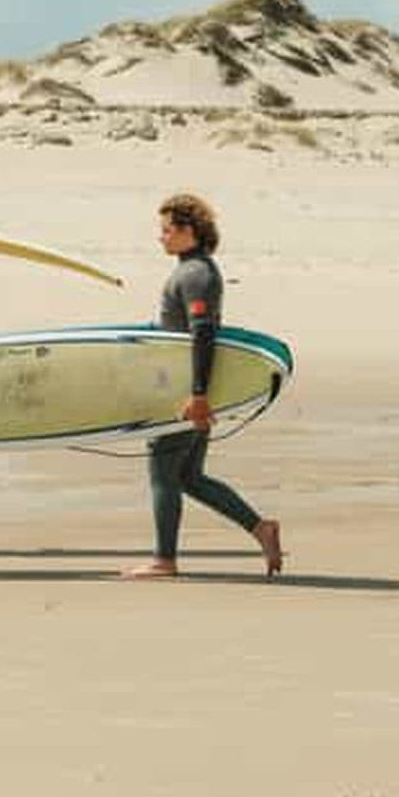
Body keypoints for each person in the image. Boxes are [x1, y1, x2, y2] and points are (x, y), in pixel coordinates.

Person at [124, 192, 282, 579]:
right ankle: (261, 528)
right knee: (189, 477)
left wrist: (197, 396)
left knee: (163, 472)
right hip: (188, 390)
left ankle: (164, 560)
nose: (160, 237)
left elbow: (203, 335)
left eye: (165, 230)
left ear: (187, 230)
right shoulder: (193, 270)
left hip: (184, 394)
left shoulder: (196, 274)